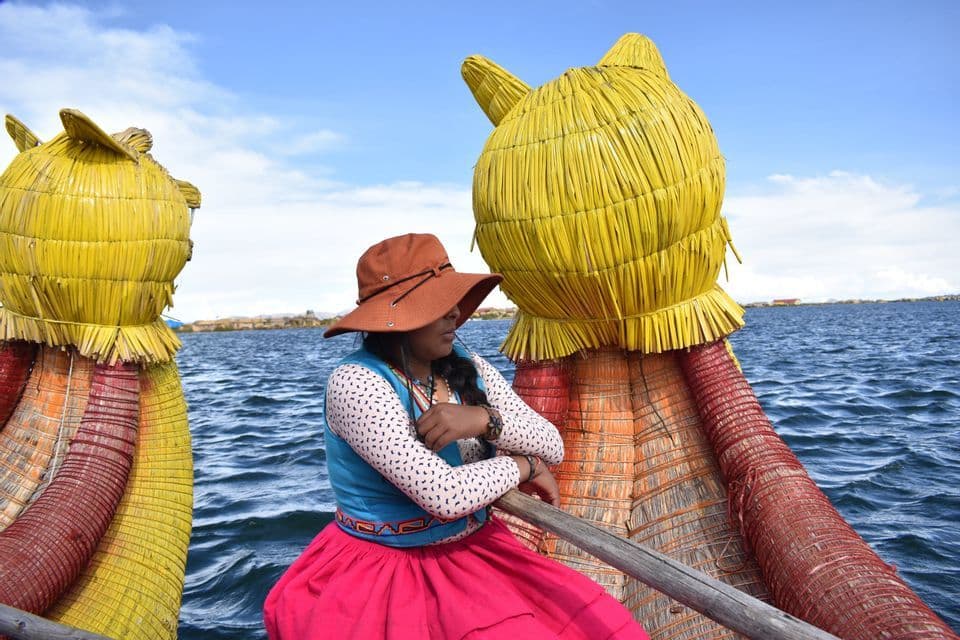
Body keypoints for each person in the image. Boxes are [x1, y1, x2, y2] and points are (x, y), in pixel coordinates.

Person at [264, 233, 648, 639]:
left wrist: (484, 420)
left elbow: (552, 442)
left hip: (475, 549)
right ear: (399, 319)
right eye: (437, 304)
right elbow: (445, 496)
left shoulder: (465, 364)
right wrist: (523, 465)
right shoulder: (356, 383)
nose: (454, 313)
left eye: (453, 300)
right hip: (387, 570)